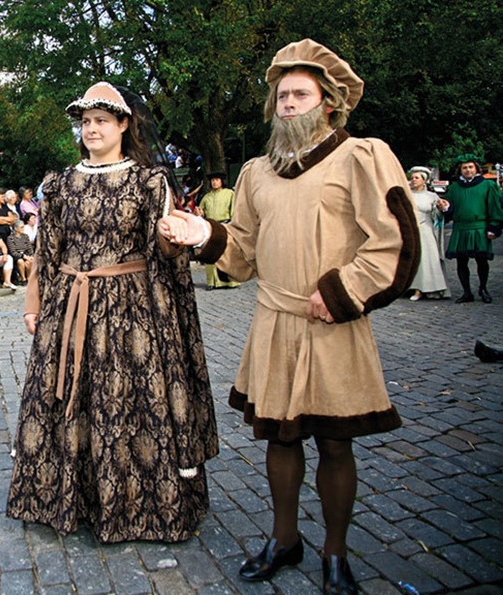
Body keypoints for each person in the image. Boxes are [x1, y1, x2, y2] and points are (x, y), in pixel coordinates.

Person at [163, 40, 419, 594]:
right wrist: (202, 233)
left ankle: (335, 552)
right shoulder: (257, 172)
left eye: (301, 95)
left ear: (329, 103)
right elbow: (243, 253)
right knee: (280, 440)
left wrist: (343, 291)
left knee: (334, 442)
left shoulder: (362, 156)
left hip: (333, 322)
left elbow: (394, 241)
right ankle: (284, 539)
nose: (288, 105)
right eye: (282, 96)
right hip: (275, 321)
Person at [7, 81, 218, 544]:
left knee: (129, 403)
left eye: (101, 120)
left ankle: (133, 505)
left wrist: (172, 238)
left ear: (124, 124)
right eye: (86, 121)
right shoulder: (59, 183)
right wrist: (34, 301)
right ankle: (75, 499)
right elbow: (47, 249)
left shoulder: (149, 181)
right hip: (69, 305)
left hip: (130, 311)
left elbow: (162, 251)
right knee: (70, 400)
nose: (91, 129)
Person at [438, 154, 503, 303]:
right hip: (460, 228)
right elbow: (449, 208)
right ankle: (467, 292)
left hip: (479, 227)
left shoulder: (488, 185)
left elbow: (495, 207)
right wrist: (445, 207)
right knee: (461, 262)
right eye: (464, 168)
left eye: (470, 167)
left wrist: (494, 227)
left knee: (482, 261)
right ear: (460, 170)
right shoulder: (454, 188)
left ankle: (483, 289)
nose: (467, 170)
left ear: (476, 168)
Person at [406, 167, 449, 300]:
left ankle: (421, 288)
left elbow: (437, 215)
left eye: (417, 178)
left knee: (425, 259)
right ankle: (408, 287)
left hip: (425, 229)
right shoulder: (406, 194)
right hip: (409, 229)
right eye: (412, 178)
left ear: (424, 180)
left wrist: (441, 207)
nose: (413, 180)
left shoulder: (432, 196)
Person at [197, 172, 240, 289]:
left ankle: (230, 281)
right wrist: (200, 213)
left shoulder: (230, 194)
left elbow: (234, 211)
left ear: (222, 181)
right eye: (212, 180)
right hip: (211, 227)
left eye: (217, 180)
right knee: (211, 253)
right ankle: (212, 282)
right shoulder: (207, 197)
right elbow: (201, 212)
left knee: (227, 253)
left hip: (225, 225)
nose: (214, 182)